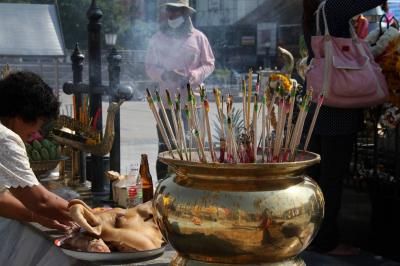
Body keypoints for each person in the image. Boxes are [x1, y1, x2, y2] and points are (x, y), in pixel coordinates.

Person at [302, 0, 387, 256]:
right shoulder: (331, 8)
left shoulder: (314, 11)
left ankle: (311, 236)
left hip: (320, 105)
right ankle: (328, 241)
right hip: (338, 108)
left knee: (317, 178)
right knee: (332, 179)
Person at [145, 0, 215, 180]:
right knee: (165, 147)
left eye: (175, 10)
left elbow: (209, 64)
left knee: (192, 146)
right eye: (169, 10)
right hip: (167, 103)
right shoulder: (157, 38)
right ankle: (163, 187)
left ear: (185, 13)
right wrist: (165, 74)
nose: (171, 14)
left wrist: (192, 76)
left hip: (192, 102)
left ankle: (193, 185)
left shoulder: (199, 37)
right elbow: (150, 67)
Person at [0, 71, 75, 232]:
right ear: (21, 116)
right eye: (39, 124)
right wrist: (100, 219)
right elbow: (42, 201)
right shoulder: (5, 139)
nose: (37, 134)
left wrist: (37, 217)